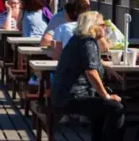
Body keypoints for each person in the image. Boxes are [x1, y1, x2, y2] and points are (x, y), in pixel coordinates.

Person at [51, 11, 124, 140]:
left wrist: (105, 66)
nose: (105, 27)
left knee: (100, 110)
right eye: (102, 24)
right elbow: (91, 72)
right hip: (71, 97)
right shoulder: (88, 42)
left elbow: (87, 59)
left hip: (62, 94)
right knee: (116, 108)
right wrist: (106, 96)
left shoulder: (78, 39)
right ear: (93, 26)